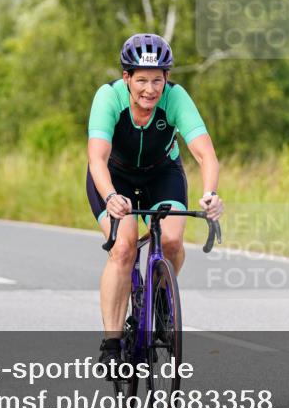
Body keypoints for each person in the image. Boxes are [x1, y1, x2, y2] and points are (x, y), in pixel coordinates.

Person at [86, 33, 223, 370]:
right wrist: (111, 196)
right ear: (127, 78)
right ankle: (112, 342)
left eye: (157, 81)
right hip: (114, 176)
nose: (150, 89)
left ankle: (158, 301)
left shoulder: (176, 98)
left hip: (162, 172)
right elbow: (97, 159)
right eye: (142, 80)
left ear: (167, 79)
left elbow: (205, 154)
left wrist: (211, 193)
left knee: (173, 240)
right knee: (124, 245)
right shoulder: (108, 98)